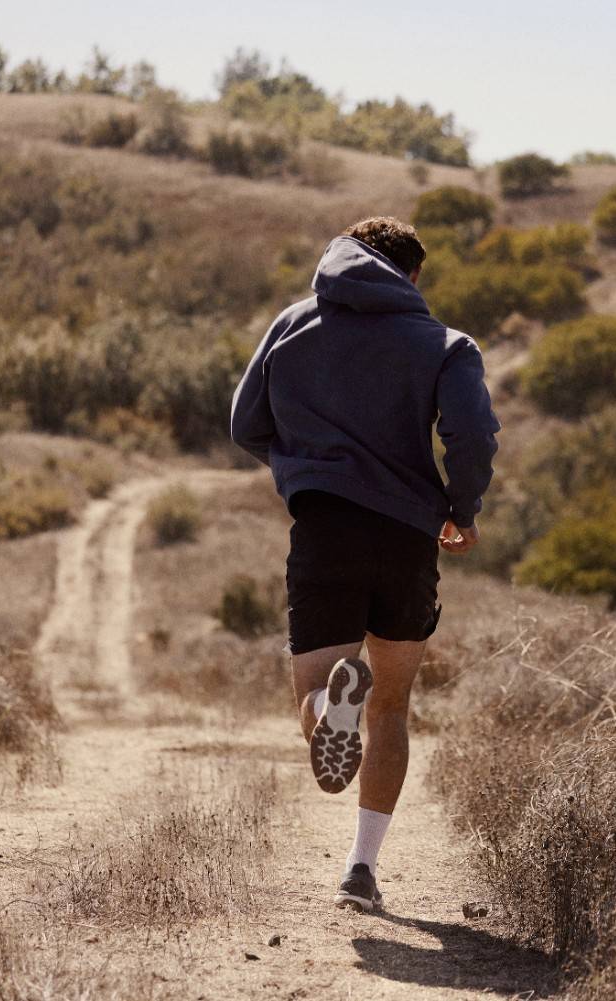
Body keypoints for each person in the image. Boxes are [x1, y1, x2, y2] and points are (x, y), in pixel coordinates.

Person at [229, 216, 499, 912]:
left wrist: (304, 465)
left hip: (326, 527)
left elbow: (244, 422)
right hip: (409, 535)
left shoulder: (293, 322)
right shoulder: (445, 343)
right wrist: (460, 509)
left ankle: (326, 705)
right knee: (392, 704)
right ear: (412, 277)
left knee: (314, 693)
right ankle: (361, 870)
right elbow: (471, 434)